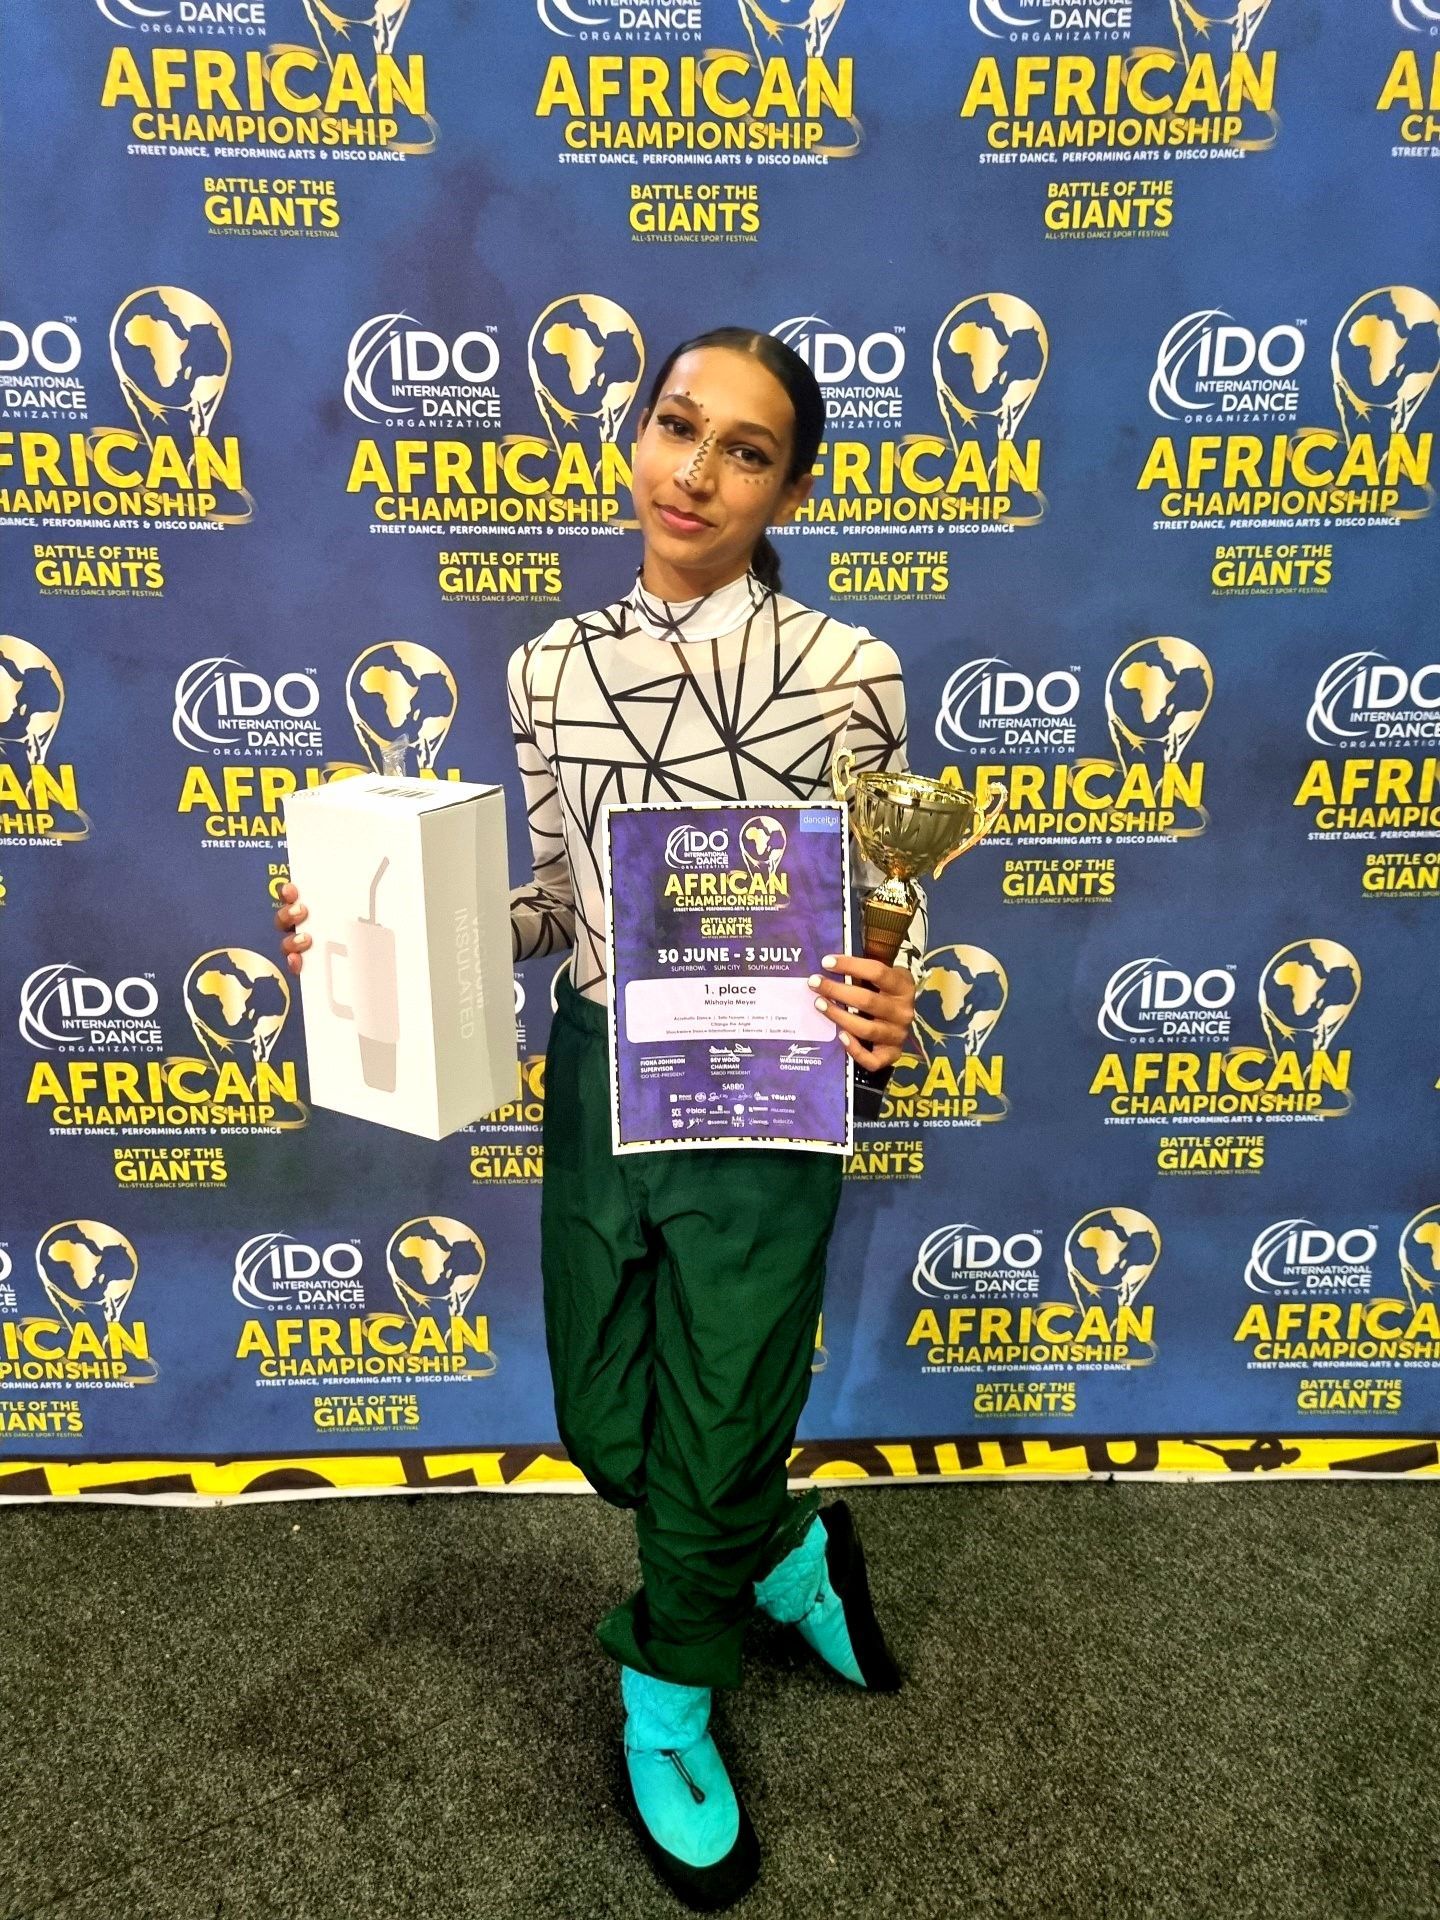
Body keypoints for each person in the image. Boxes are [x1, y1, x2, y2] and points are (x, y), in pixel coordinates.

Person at [277, 327, 921, 1911]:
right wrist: (383, 927)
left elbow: (889, 892)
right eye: (675, 426)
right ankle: (783, 1548)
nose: (694, 470)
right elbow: (563, 898)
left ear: (790, 488)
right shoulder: (547, 668)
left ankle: (669, 1694)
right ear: (634, 436)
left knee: (708, 1420)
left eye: (746, 448)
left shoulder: (850, 670)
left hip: (768, 1098)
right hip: (598, 1074)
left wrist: (904, 1011)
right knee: (611, 1429)